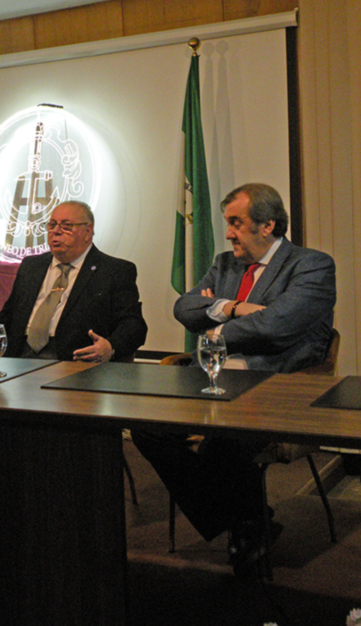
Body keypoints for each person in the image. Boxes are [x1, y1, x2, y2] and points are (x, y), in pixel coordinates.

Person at [133, 183, 336, 575]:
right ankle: (247, 520)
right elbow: (185, 307)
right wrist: (236, 307)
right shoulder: (225, 264)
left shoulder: (311, 265)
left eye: (236, 223)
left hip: (276, 385)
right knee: (148, 430)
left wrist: (217, 327)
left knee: (225, 439)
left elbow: (279, 325)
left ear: (267, 225)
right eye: (228, 223)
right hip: (212, 380)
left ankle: (247, 526)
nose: (228, 233)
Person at [0, 201, 148, 362]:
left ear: (88, 231)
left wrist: (110, 346)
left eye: (66, 226)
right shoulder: (32, 266)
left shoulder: (114, 271)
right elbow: (8, 315)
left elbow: (133, 325)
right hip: (18, 357)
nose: (56, 232)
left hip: (75, 362)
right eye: (52, 225)